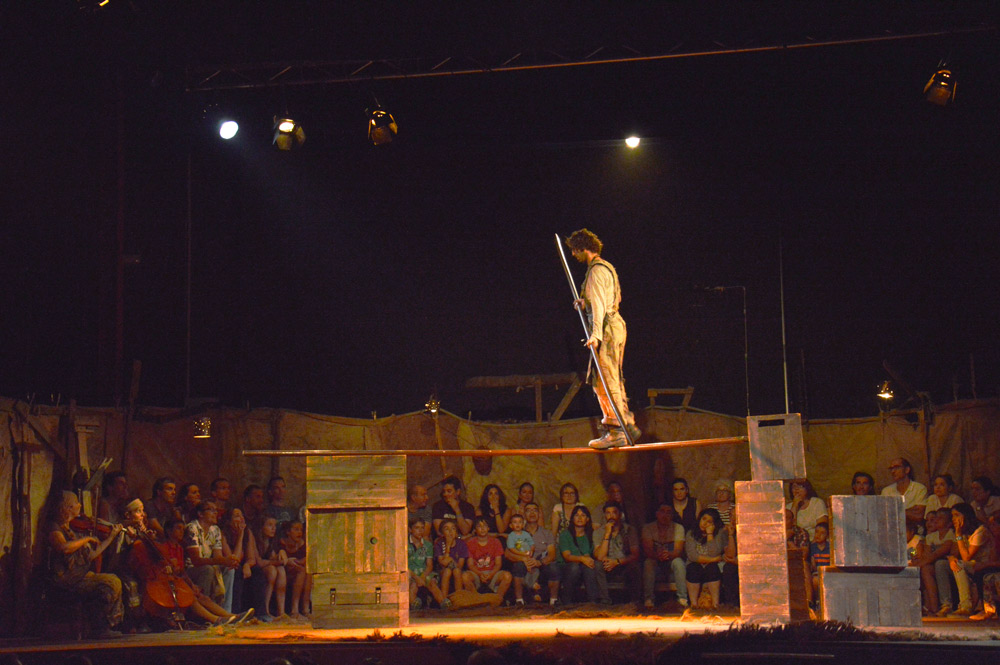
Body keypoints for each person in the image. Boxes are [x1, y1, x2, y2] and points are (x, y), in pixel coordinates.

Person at [565, 228, 640, 449]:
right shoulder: (606, 268)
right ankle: (627, 423)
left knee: (605, 379)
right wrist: (584, 303)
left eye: (574, 251)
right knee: (607, 378)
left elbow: (599, 305)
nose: (573, 256)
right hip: (614, 324)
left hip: (607, 328)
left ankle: (617, 429)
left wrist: (596, 334)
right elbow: (604, 299)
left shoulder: (596, 271)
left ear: (582, 249)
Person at [46, 491, 124, 638]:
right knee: (108, 584)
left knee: (112, 580)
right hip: (65, 579)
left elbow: (91, 556)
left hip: (77, 576)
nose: (79, 505)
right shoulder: (54, 527)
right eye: (76, 503)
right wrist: (86, 539)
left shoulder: (71, 529)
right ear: (68, 508)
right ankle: (99, 628)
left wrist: (112, 536)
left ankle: (102, 626)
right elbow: (64, 548)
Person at [184, 501, 237, 606]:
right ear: (200, 514)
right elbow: (196, 561)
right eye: (211, 510)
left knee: (229, 570)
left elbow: (218, 556)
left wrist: (229, 561)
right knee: (208, 570)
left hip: (208, 564)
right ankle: (205, 608)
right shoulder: (192, 528)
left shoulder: (215, 530)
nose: (215, 513)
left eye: (216, 510)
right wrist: (221, 560)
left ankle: (225, 610)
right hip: (191, 568)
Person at [506, 502, 560, 606]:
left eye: (535, 510)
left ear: (539, 514)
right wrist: (523, 559)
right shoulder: (516, 532)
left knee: (554, 567)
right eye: (528, 510)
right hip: (525, 565)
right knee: (518, 566)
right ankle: (519, 601)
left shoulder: (546, 533)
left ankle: (554, 601)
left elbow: (552, 554)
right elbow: (507, 554)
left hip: (541, 565)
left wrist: (539, 562)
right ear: (524, 514)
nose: (532, 513)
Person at [946, 502, 993, 617]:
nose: (954, 519)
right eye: (952, 516)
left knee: (960, 565)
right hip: (971, 564)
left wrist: (958, 534)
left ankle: (965, 606)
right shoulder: (961, 532)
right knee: (942, 565)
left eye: (957, 515)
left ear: (966, 515)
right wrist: (951, 559)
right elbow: (954, 553)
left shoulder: (980, 531)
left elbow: (966, 556)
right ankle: (946, 604)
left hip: (984, 564)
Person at [641, 502, 688, 608]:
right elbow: (648, 550)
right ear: (657, 514)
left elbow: (678, 551)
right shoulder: (648, 528)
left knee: (679, 562)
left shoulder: (678, 528)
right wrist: (658, 556)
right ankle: (648, 600)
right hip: (655, 560)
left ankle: (682, 599)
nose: (665, 515)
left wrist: (668, 554)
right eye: (662, 512)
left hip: (671, 559)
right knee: (648, 563)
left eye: (668, 513)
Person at [684, 508, 733, 610]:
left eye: (709, 521)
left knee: (712, 568)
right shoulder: (691, 533)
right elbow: (693, 556)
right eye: (704, 519)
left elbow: (714, 552)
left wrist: (710, 534)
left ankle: (716, 604)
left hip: (712, 566)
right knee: (693, 568)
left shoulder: (719, 533)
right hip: (696, 564)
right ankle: (693, 604)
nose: (705, 523)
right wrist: (714, 559)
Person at [593, 501, 640, 604]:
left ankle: (635, 602)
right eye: (608, 513)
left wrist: (617, 562)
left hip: (623, 564)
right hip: (607, 566)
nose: (611, 516)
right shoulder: (598, 532)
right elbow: (600, 556)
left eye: (614, 513)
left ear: (620, 514)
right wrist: (607, 534)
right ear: (604, 515)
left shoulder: (629, 530)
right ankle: (605, 601)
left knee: (634, 566)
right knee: (597, 565)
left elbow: (635, 555)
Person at [912, 508, 957, 616]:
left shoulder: (951, 534)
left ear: (949, 523)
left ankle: (943, 605)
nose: (936, 520)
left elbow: (939, 553)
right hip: (932, 565)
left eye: (940, 518)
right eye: (935, 518)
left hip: (948, 564)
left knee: (935, 565)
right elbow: (927, 555)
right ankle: (933, 607)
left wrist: (918, 565)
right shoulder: (931, 536)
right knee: (926, 570)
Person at [558, 506, 599, 604]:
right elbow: (567, 556)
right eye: (577, 515)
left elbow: (592, 554)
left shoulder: (591, 534)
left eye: (583, 515)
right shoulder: (565, 534)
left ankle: (593, 603)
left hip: (584, 565)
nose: (580, 518)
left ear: (587, 519)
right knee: (574, 567)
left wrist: (586, 559)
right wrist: (582, 559)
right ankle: (566, 601)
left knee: (590, 566)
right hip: (567, 566)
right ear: (572, 519)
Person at [465, 517, 513, 599]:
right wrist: (480, 574)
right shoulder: (470, 543)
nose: (482, 529)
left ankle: (497, 600)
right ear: (475, 530)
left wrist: (490, 575)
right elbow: (470, 564)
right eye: (479, 526)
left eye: (485, 526)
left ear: (488, 528)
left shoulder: (496, 542)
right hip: (477, 573)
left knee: (507, 576)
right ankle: (476, 600)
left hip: (492, 572)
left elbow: (498, 564)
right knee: (465, 577)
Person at [407, 516, 447, 609]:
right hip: (410, 573)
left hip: (423, 573)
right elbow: (404, 565)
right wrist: (416, 578)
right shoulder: (405, 544)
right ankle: (414, 603)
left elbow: (429, 565)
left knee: (432, 582)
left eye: (422, 528)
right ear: (410, 529)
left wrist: (422, 576)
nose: (420, 531)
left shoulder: (427, 545)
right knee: (412, 585)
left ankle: (443, 603)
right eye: (417, 528)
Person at [256, 516, 288, 618]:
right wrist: (276, 562)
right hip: (256, 569)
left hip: (268, 566)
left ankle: (281, 612)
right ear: (261, 527)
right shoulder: (256, 540)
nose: (273, 528)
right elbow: (260, 562)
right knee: (272, 571)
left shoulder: (271, 541)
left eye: (274, 526)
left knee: (281, 570)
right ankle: (265, 610)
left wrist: (282, 553)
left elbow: (274, 558)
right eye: (270, 525)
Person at [880, 458, 927, 526]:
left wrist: (894, 511)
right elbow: (884, 516)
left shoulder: (919, 489)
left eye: (897, 467)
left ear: (907, 470)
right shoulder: (886, 491)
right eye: (891, 468)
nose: (893, 471)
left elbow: (919, 516)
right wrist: (910, 511)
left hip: (915, 533)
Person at [279, 520, 311, 618]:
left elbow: (306, 559)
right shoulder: (282, 542)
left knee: (307, 571)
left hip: (297, 571)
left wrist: (299, 562)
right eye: (296, 530)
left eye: (300, 530)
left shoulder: (303, 544)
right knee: (302, 570)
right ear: (288, 532)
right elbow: (282, 558)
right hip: (284, 570)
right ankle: (294, 609)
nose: (299, 533)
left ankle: (305, 608)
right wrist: (288, 561)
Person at [434, 519, 472, 597]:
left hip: (457, 570)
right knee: (447, 571)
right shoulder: (439, 544)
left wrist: (451, 560)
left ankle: (459, 598)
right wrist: (448, 546)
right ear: (442, 533)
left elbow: (460, 566)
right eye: (446, 529)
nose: (450, 531)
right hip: (442, 571)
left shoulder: (461, 544)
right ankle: (444, 600)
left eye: (453, 528)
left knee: (457, 571)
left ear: (456, 532)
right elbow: (443, 563)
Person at [808, 523, 832, 604]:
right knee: (815, 580)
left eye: (822, 533)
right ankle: (818, 601)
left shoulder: (830, 547)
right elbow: (812, 566)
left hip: (828, 572)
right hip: (816, 573)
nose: (818, 535)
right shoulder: (812, 547)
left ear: (827, 536)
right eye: (817, 532)